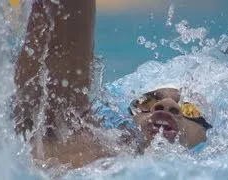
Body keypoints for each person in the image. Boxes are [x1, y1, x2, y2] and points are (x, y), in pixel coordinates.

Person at [13, 0, 212, 169]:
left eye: (190, 108)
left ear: (208, 134)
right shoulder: (87, 152)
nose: (166, 106)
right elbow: (50, 102)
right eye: (147, 102)